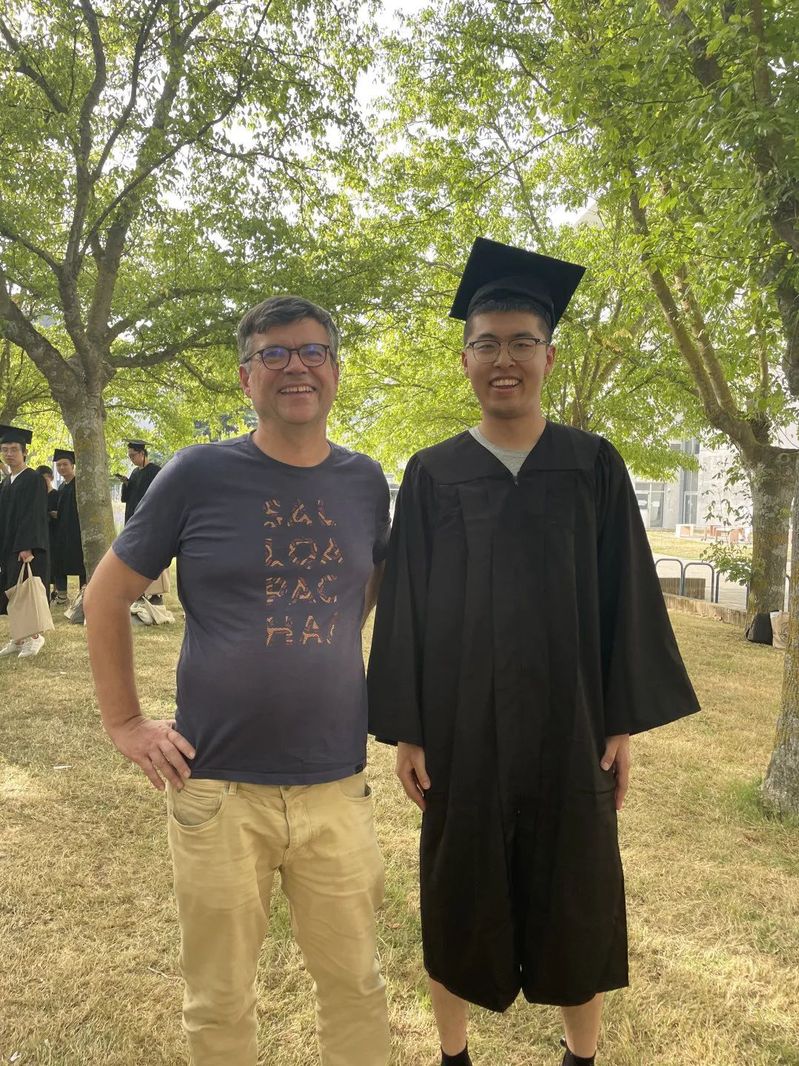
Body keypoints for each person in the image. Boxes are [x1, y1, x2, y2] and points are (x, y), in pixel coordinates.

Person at [367, 238, 701, 1066]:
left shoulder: (592, 464)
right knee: (456, 893)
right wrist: (408, 729)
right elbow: (406, 605)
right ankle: (453, 1056)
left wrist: (617, 722)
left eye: (522, 342)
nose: (504, 360)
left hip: (569, 722)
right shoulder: (433, 473)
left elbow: (625, 596)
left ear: (549, 356)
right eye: (486, 344)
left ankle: (579, 1057)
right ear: (464, 360)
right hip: (460, 728)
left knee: (576, 895)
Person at [84, 295, 391, 1066]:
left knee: (356, 985)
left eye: (313, 351)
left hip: (335, 784)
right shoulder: (197, 472)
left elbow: (367, 593)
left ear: (336, 369)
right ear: (245, 376)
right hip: (216, 787)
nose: (296, 367)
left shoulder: (365, 481)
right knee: (218, 998)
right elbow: (106, 597)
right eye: (273, 354)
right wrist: (125, 723)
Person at [0, 425, 49, 658]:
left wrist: (26, 546)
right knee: (13, 590)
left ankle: (35, 637)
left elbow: (34, 514)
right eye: (4, 449)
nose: (9, 454)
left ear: (24, 452)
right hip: (8, 546)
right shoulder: (6, 482)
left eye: (14, 449)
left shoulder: (33, 479)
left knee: (26, 590)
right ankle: (18, 638)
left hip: (25, 546)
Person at [51, 449, 86, 604]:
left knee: (81, 564)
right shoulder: (61, 487)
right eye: (59, 465)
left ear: (73, 465)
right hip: (62, 532)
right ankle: (62, 595)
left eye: (65, 464)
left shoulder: (79, 485)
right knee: (59, 562)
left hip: (77, 532)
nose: (62, 468)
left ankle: (84, 594)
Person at [119, 439, 161, 524]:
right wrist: (126, 484)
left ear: (142, 453)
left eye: (133, 455)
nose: (131, 459)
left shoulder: (156, 471)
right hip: (131, 517)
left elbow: (159, 496)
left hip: (146, 518)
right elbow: (126, 498)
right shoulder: (135, 472)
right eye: (129, 456)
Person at [37, 464, 60, 601]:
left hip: (53, 532)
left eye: (45, 479)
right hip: (41, 532)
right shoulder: (37, 496)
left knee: (54, 560)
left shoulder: (56, 494)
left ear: (50, 478)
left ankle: (56, 590)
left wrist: (53, 514)